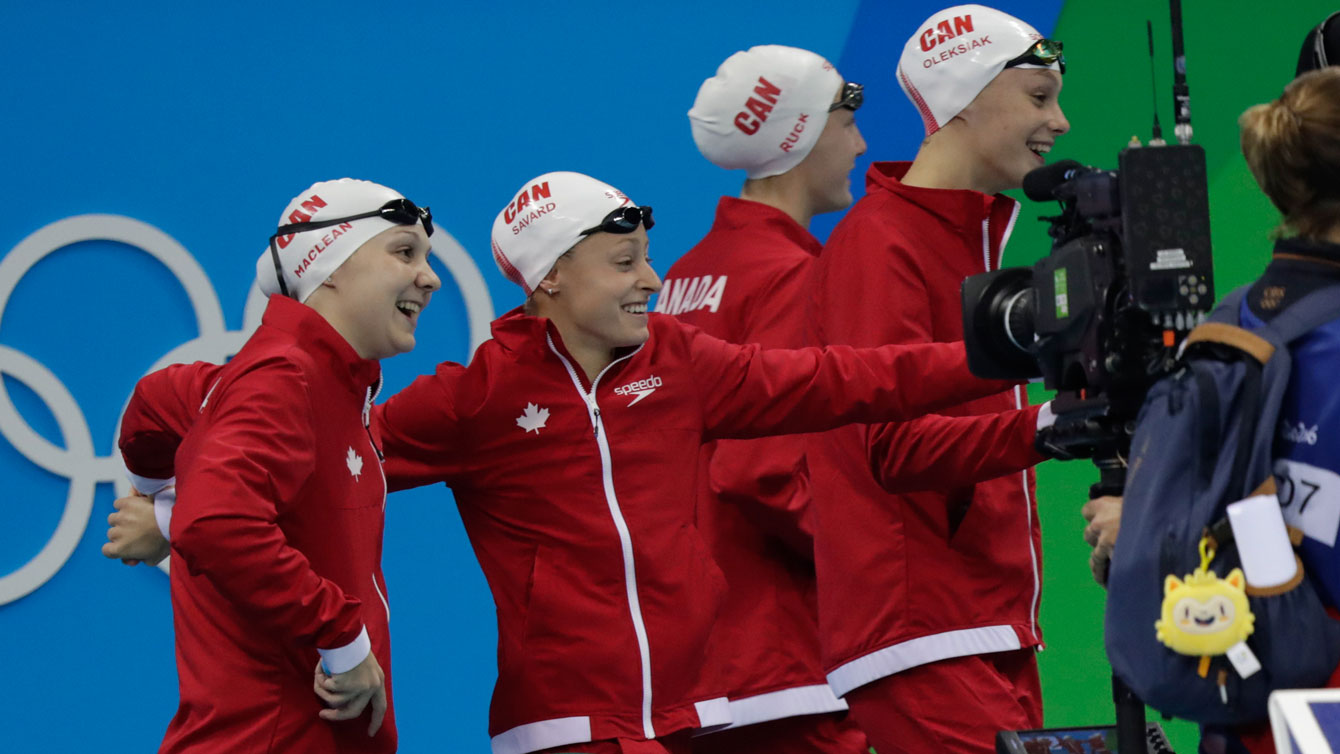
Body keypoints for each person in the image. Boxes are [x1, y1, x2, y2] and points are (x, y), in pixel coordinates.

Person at [110, 169, 1019, 754]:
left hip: (690, 721)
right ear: (549, 282)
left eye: (648, 258)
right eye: (623, 261)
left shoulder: (683, 364)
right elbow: (319, 458)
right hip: (564, 732)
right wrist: (175, 501)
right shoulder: (477, 397)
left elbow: (843, 381)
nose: (650, 280)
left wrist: (996, 352)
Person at [666, 44, 1048, 754]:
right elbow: (762, 469)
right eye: (846, 122)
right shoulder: (786, 273)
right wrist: (879, 548)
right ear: (800, 135)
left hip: (702, 655)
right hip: (783, 654)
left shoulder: (688, 276)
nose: (862, 143)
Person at [803, 5, 1066, 752]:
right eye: (1040, 98)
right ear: (969, 100)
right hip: (922, 633)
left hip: (988, 622)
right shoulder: (880, 244)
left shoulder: (974, 238)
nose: (1063, 122)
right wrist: (1045, 428)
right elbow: (891, 450)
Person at [107, 178, 441, 753]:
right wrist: (344, 640)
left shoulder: (314, 384)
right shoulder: (284, 379)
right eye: (404, 251)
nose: (430, 277)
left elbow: (155, 402)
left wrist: (161, 508)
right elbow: (216, 523)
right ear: (330, 267)